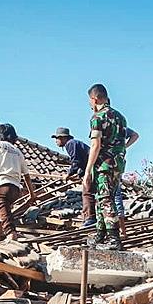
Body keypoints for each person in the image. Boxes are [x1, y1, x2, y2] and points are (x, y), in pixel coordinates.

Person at [83, 84, 128, 250]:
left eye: (90, 101)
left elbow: (95, 145)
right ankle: (100, 235)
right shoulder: (121, 117)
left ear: (94, 99)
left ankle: (114, 239)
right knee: (103, 199)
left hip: (104, 165)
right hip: (118, 164)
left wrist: (88, 170)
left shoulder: (97, 117)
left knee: (105, 199)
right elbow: (125, 140)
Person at [0, 124, 37, 241]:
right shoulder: (18, 152)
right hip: (15, 189)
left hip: (2, 187)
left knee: (8, 225)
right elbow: (27, 176)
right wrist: (31, 194)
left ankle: (12, 240)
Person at [51, 127, 95, 228]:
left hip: (93, 168)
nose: (56, 141)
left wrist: (68, 174)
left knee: (87, 193)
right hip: (92, 168)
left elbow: (76, 162)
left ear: (62, 138)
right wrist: (79, 175)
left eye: (57, 138)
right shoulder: (75, 143)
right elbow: (82, 162)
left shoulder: (70, 144)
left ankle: (90, 218)